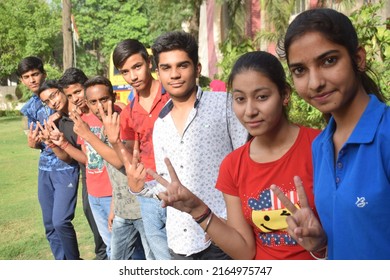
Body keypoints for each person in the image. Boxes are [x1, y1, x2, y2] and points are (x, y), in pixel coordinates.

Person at [146, 51, 321, 259]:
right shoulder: (233, 164)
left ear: (284, 94)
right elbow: (245, 251)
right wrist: (197, 209)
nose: (249, 111)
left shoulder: (320, 147)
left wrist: (320, 244)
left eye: (262, 97)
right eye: (239, 99)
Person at [270, 8, 390, 260]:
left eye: (328, 61)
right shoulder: (321, 145)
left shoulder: (385, 136)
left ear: (358, 59)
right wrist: (320, 244)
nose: (315, 83)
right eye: (300, 70)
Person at [136, 30, 247, 259]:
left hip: (222, 238)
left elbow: (247, 164)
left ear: (197, 68)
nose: (174, 74)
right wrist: (137, 186)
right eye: (166, 68)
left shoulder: (225, 105)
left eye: (182, 66)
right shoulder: (161, 124)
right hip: (180, 241)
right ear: (158, 73)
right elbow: (166, 185)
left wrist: (232, 221)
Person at [71, 75, 148, 260]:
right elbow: (115, 174)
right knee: (115, 255)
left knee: (151, 257)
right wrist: (115, 204)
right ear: (87, 104)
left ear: (113, 97)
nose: (99, 106)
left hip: (142, 207)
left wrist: (88, 135)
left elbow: (119, 161)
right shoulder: (105, 125)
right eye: (93, 102)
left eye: (103, 99)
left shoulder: (124, 121)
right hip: (122, 207)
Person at [108, 38, 171, 260]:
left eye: (137, 67)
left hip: (179, 185)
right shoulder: (127, 114)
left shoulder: (172, 95)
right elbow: (130, 163)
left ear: (149, 63)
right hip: (149, 192)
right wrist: (115, 141)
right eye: (125, 71)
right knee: (161, 258)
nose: (133, 76)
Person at [18, 57, 80, 260]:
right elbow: (36, 138)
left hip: (65, 165)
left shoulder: (58, 95)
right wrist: (33, 143)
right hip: (45, 168)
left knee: (61, 221)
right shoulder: (29, 108)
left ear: (43, 73)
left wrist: (59, 115)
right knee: (50, 225)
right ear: (22, 80)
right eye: (26, 77)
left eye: (35, 74)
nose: (32, 80)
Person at [57, 67, 108, 260]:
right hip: (92, 178)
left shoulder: (107, 111)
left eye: (77, 92)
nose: (75, 98)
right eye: (70, 95)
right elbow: (85, 157)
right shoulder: (76, 119)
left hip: (113, 179)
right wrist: (58, 143)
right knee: (94, 218)